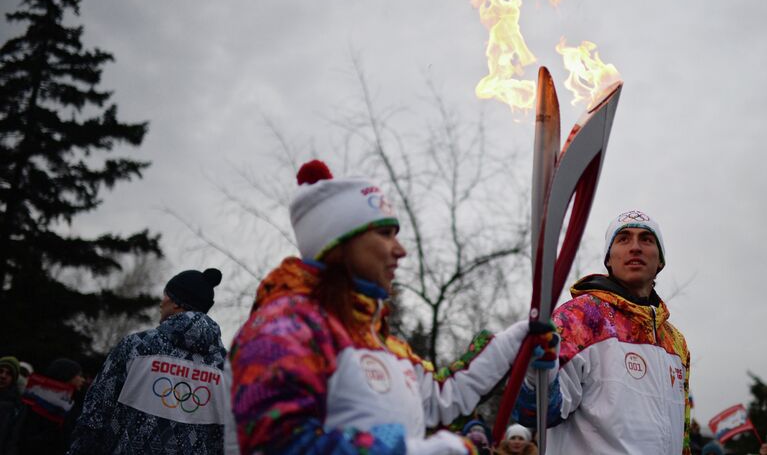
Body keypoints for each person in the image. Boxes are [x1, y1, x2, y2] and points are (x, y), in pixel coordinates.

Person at [229, 160, 558, 454]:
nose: (400, 250)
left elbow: (444, 395)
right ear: (340, 244)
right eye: (385, 234)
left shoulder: (383, 342)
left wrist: (517, 339)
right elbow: (278, 444)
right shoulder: (286, 328)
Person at [514, 210, 691, 454]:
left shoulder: (676, 343)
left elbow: (682, 436)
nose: (635, 247)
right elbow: (535, 412)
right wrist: (534, 376)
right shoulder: (578, 320)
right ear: (608, 258)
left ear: (660, 259)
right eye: (624, 239)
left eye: (646, 239)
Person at [68, 268, 230, 454]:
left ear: (177, 302)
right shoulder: (227, 369)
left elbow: (95, 415)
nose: (162, 303)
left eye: (165, 295)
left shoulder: (136, 347)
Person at [13, 358, 85, 454]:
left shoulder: (72, 403)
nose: (82, 380)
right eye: (79, 375)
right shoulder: (36, 403)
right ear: (66, 375)